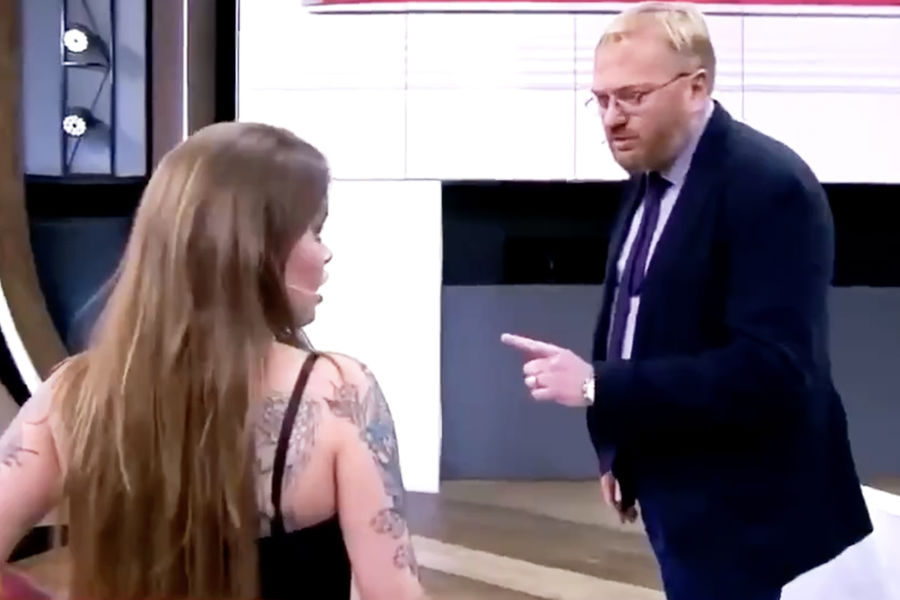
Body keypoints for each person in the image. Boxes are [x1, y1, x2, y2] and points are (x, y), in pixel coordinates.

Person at [501, 3, 872, 599]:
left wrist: (598, 386)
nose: (612, 119)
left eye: (632, 97)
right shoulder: (652, 177)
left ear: (696, 88)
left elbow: (774, 371)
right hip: (677, 495)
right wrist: (618, 449)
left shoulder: (768, 185)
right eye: (601, 100)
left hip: (747, 513)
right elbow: (632, 320)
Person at [0, 122, 427, 600]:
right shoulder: (340, 393)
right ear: (253, 246)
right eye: (314, 231)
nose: (326, 253)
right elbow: (392, 592)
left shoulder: (73, 396)